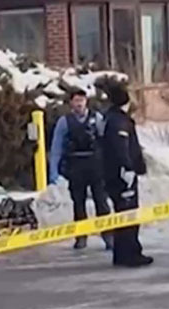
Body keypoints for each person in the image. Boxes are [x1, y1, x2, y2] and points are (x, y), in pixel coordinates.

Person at [49, 89, 112, 250]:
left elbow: (106, 140)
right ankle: (81, 236)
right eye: (76, 101)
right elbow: (56, 147)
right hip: (75, 166)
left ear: (86, 101)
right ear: (71, 103)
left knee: (101, 202)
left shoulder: (96, 118)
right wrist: (53, 171)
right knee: (78, 203)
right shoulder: (65, 122)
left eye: (82, 100)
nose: (79, 104)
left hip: (95, 164)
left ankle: (108, 236)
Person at [102, 84, 153, 267]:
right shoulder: (119, 121)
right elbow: (120, 148)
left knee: (123, 215)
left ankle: (123, 253)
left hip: (116, 175)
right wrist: (128, 169)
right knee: (128, 215)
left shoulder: (112, 118)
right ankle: (129, 254)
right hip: (122, 177)